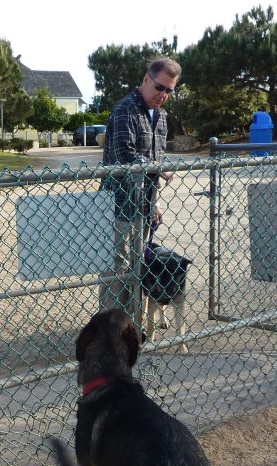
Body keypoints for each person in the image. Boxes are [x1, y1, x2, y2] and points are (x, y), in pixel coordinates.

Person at [100, 57, 181, 312]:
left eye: (169, 90)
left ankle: (132, 323)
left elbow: (154, 160)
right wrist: (159, 168)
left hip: (144, 204)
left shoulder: (162, 116)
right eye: (160, 87)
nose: (163, 94)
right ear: (146, 79)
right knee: (117, 265)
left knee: (139, 264)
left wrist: (154, 202)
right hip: (119, 203)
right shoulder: (125, 109)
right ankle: (110, 324)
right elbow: (125, 155)